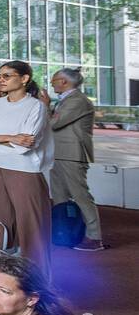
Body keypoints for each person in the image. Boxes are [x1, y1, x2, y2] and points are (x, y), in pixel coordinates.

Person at [0, 61, 53, 276]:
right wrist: (10, 136)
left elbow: (26, 144)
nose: (1, 80)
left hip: (24, 170)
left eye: (7, 76)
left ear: (24, 79)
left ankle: (38, 279)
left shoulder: (36, 106)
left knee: (31, 227)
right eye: (0, 75)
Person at [49, 68, 102, 252]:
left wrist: (45, 106)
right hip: (58, 153)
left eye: (54, 79)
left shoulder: (78, 101)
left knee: (80, 196)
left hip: (73, 154)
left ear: (64, 81)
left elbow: (54, 123)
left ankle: (94, 237)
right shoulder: (65, 100)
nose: (51, 83)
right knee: (59, 196)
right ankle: (65, 232)